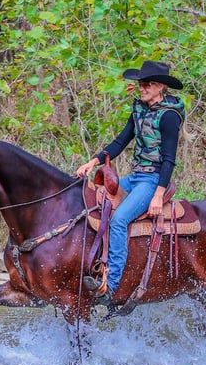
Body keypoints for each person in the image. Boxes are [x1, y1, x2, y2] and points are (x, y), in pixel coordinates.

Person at [76, 60, 186, 305]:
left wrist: (158, 195)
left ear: (160, 88)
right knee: (92, 197)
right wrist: (92, 162)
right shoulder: (139, 110)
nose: (142, 88)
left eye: (148, 84)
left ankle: (111, 286)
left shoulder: (169, 116)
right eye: (141, 84)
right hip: (134, 177)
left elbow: (169, 159)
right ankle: (93, 264)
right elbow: (119, 142)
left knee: (119, 220)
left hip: (153, 180)